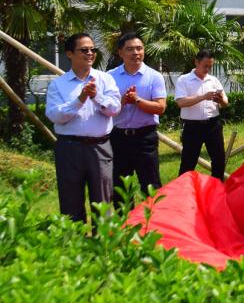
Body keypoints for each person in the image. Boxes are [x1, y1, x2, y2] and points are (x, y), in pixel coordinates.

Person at [45, 33, 121, 221]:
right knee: (70, 201)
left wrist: (96, 97)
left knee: (103, 202)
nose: (90, 53)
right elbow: (54, 115)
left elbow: (115, 109)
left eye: (93, 49)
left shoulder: (105, 80)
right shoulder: (58, 85)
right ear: (69, 54)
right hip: (69, 148)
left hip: (100, 147)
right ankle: (74, 238)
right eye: (84, 50)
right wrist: (79, 99)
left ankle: (102, 238)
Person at [108, 33, 167, 204]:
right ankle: (125, 220)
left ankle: (153, 219)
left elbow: (160, 108)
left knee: (151, 186)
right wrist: (123, 101)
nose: (136, 53)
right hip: (118, 138)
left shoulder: (154, 76)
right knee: (120, 187)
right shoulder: (110, 77)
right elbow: (105, 109)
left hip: (145, 138)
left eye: (139, 48)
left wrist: (137, 101)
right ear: (120, 52)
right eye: (130, 49)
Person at [175, 49, 229, 180]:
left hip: (213, 124)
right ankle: (183, 189)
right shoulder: (184, 80)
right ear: (196, 62)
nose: (208, 69)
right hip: (193, 127)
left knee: (219, 160)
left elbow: (225, 102)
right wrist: (203, 97)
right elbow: (180, 102)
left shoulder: (213, 80)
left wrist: (220, 100)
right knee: (188, 162)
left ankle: (217, 187)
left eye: (210, 66)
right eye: (205, 66)